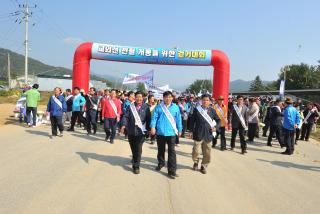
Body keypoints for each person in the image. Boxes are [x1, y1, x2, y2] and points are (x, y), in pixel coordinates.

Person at [150, 91, 183, 179]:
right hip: (160, 132)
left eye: (169, 97)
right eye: (166, 97)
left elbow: (179, 119)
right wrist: (153, 127)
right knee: (161, 150)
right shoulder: (159, 107)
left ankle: (172, 171)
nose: (168, 99)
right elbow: (154, 118)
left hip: (171, 133)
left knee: (172, 152)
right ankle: (161, 163)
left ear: (172, 98)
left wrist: (180, 129)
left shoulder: (176, 107)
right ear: (163, 98)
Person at [121, 91, 151, 174]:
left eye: (140, 97)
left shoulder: (146, 107)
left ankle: (136, 166)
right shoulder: (130, 106)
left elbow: (148, 119)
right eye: (137, 97)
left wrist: (149, 129)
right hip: (131, 131)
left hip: (141, 132)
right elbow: (125, 116)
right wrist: (123, 125)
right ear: (135, 97)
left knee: (138, 148)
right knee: (133, 147)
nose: (139, 98)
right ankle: (135, 158)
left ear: (143, 98)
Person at [189, 94, 220, 174]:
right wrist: (191, 131)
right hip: (198, 133)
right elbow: (192, 121)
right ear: (201, 101)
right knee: (196, 151)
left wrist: (215, 127)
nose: (205, 101)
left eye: (207, 100)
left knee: (207, 152)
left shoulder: (212, 110)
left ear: (210, 101)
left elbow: (218, 120)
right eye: (204, 100)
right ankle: (196, 162)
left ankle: (203, 166)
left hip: (208, 134)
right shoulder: (196, 110)